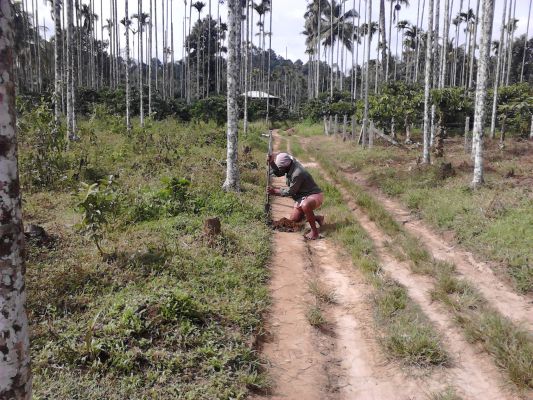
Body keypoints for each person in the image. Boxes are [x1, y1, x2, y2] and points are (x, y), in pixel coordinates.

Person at [267, 152, 325, 240]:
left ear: (286, 166)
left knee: (305, 205)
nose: (281, 170)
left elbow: (291, 191)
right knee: (294, 220)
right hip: (301, 197)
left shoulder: (298, 173)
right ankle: (317, 218)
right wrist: (271, 162)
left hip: (314, 195)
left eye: (281, 168)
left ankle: (315, 232)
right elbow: (278, 173)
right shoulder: (290, 164)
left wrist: (275, 191)